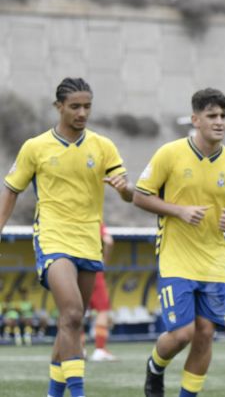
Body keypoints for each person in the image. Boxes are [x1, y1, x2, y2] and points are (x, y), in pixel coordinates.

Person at [0, 77, 133, 397]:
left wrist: (125, 189)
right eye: (75, 106)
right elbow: (11, 189)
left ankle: (53, 394)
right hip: (52, 238)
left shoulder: (103, 146)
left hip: (88, 241)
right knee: (72, 314)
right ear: (58, 106)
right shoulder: (35, 147)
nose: (82, 112)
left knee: (71, 322)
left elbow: (128, 191)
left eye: (87, 106)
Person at [135, 88, 225, 397]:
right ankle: (155, 366)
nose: (219, 121)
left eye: (223, 116)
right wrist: (179, 211)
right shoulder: (170, 154)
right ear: (195, 119)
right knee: (182, 333)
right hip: (175, 258)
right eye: (212, 115)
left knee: (205, 334)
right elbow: (139, 196)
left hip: (213, 260)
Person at [88, 223, 116, 361]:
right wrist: (104, 262)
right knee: (102, 311)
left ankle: (77, 349)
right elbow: (109, 241)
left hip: (72, 268)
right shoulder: (94, 219)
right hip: (93, 267)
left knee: (75, 309)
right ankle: (99, 349)